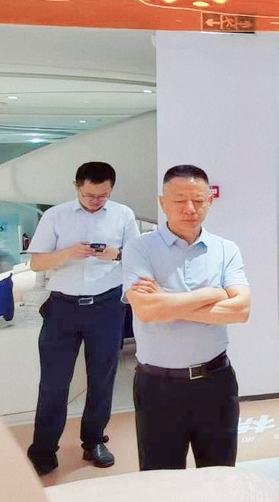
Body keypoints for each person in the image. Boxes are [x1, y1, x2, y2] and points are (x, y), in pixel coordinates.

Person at [122, 165, 250, 471]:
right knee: (161, 480)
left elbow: (241, 310)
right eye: (179, 200)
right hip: (157, 386)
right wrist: (213, 293)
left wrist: (166, 301)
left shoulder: (225, 249)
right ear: (162, 202)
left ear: (210, 201)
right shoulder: (140, 248)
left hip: (216, 382)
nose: (190, 208)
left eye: (198, 200)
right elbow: (146, 310)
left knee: (219, 475)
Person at [24, 161, 139, 475]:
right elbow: (36, 263)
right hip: (62, 308)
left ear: (111, 189)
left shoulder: (123, 215)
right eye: (89, 195)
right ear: (76, 186)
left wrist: (116, 254)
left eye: (103, 195)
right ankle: (43, 449)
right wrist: (67, 253)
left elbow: (138, 257)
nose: (96, 201)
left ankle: (94, 441)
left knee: (102, 378)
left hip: (107, 306)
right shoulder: (55, 215)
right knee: (54, 383)